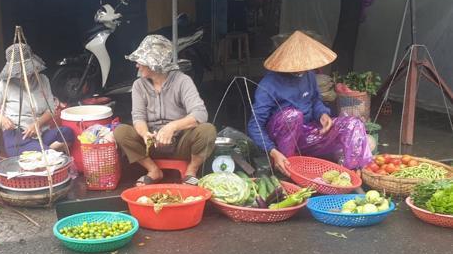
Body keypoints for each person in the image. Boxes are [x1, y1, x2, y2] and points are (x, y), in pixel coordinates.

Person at [247, 30, 372, 175]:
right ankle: (287, 166)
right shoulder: (268, 84)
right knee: (293, 115)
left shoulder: (309, 75)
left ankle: (351, 173)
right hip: (280, 143)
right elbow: (254, 125)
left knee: (353, 123)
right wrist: (272, 151)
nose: (305, 68)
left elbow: (315, 100)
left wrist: (322, 114)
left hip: (307, 135)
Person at [113, 35, 217, 186]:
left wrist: (172, 127)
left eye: (141, 61)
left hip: (180, 143)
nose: (137, 65)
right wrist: (144, 134)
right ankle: (153, 170)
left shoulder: (182, 81)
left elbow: (200, 113)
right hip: (151, 145)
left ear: (154, 64)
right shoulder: (138, 85)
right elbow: (138, 117)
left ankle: (191, 171)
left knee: (207, 130)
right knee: (120, 132)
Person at [0, 43, 75, 158]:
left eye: (28, 71)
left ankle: (43, 150)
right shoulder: (4, 85)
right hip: (18, 137)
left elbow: (51, 110)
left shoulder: (43, 80)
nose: (25, 75)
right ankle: (42, 152)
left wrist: (37, 124)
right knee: (46, 157)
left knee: (68, 133)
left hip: (41, 133)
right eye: (19, 73)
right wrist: (2, 119)